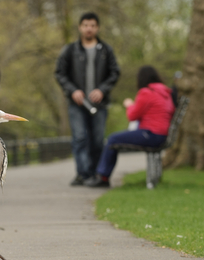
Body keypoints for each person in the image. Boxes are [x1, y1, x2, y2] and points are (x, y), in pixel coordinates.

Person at [55, 12, 120, 186]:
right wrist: (73, 90)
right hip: (77, 104)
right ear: (80, 27)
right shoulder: (70, 50)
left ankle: (96, 175)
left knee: (98, 140)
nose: (89, 28)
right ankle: (83, 174)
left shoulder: (106, 50)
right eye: (85, 25)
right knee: (80, 138)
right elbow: (60, 73)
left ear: (97, 28)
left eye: (92, 25)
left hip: (99, 104)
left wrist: (102, 90)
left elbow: (115, 73)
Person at [85, 66, 175, 187]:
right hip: (162, 135)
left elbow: (132, 116)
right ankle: (103, 176)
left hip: (151, 134)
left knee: (112, 139)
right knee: (114, 139)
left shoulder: (146, 92)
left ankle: (103, 177)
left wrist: (129, 104)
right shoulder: (165, 93)